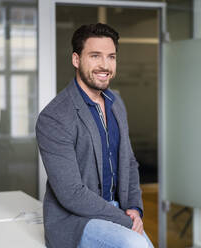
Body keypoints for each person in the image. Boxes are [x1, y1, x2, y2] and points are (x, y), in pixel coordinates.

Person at [36, 23, 154, 248]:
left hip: (118, 208)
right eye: (95, 56)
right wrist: (124, 219)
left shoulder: (116, 103)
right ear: (76, 60)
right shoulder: (54, 117)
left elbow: (128, 162)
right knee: (136, 245)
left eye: (111, 57)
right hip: (76, 219)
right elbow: (70, 193)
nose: (105, 65)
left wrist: (134, 208)